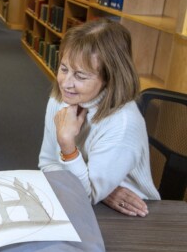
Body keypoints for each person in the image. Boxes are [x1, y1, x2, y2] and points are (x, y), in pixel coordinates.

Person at [38, 18, 160, 217]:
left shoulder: (123, 123)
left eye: (80, 76)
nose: (65, 83)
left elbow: (84, 196)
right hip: (82, 200)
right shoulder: (60, 100)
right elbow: (47, 164)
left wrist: (67, 144)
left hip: (131, 213)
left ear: (109, 79)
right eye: (64, 68)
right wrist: (103, 192)